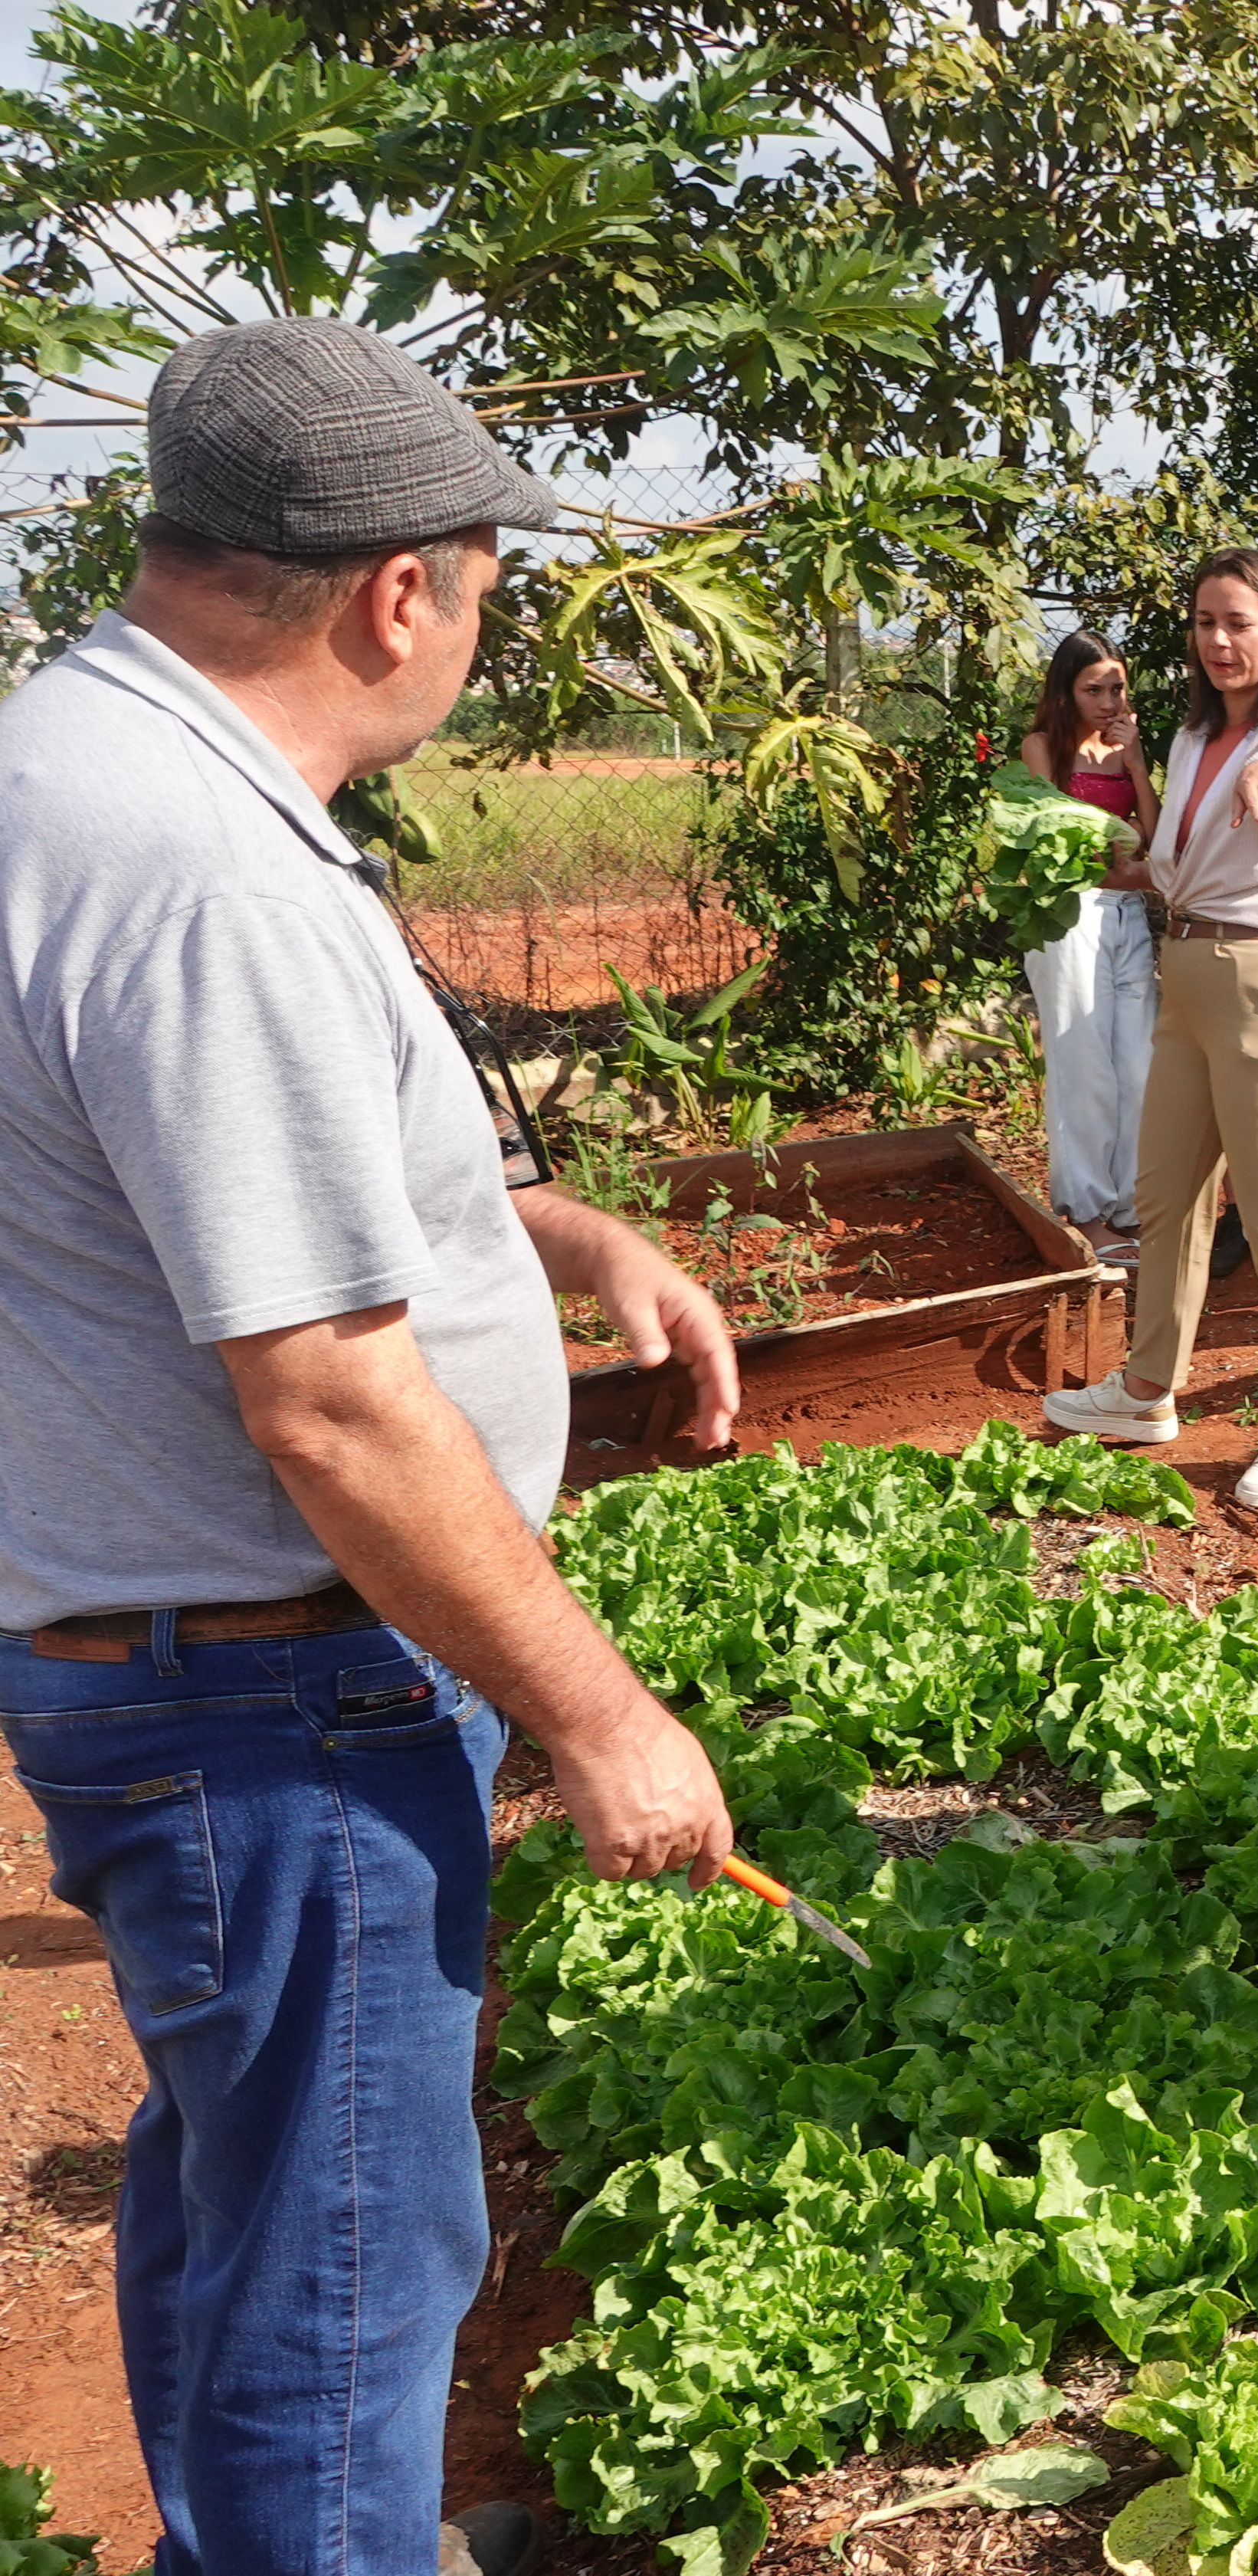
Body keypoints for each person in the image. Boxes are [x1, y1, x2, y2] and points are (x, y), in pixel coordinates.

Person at [0, 316, 742, 2576]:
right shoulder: (198, 869)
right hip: (277, 1702)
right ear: (398, 592)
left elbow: (190, 1189)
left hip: (189, 1674)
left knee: (252, 2201)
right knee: (342, 2276)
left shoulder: (84, 759)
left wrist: (551, 1232)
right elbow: (327, 1395)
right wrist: (602, 1714)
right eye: (484, 593)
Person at [1046, 548, 1258, 1511]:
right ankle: (1146, 1389)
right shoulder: (1188, 737)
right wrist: (1127, 868)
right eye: (1206, 622)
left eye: (1240, 623)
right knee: (1167, 1197)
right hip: (1185, 976)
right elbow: (1184, 861)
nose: (1221, 641)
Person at [1017, 630, 1162, 1265]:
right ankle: (1087, 1212)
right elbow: (1057, 843)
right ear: (1066, 691)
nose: (1109, 702)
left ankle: (1131, 1208)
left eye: (1117, 688)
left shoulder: (1125, 750)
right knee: (1084, 1065)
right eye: (1093, 690)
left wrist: (1137, 766)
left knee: (1141, 1064)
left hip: (1129, 913)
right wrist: (1123, 844)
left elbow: (1154, 837)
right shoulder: (1042, 747)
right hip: (1069, 915)